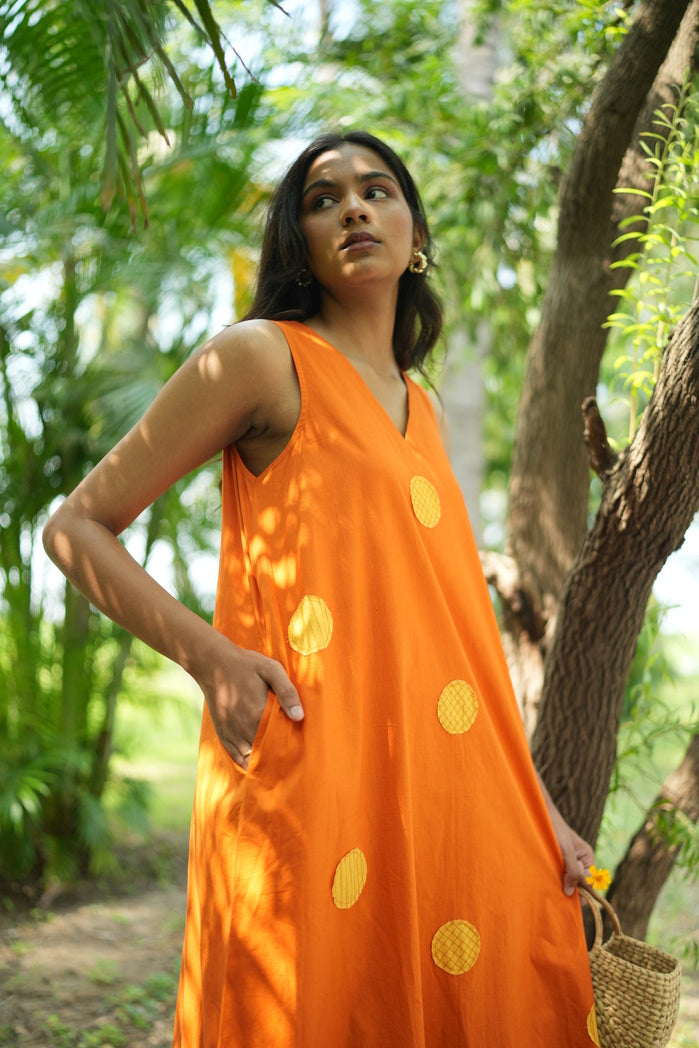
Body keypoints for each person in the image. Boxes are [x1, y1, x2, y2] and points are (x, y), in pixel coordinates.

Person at [43, 130, 599, 1048]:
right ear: (296, 243)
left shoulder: (422, 410)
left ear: (414, 236)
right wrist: (211, 659)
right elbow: (74, 528)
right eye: (321, 198)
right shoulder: (261, 357)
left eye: (377, 190)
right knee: (307, 1002)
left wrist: (541, 812)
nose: (352, 208)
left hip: (430, 786)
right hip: (309, 763)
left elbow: (453, 631)